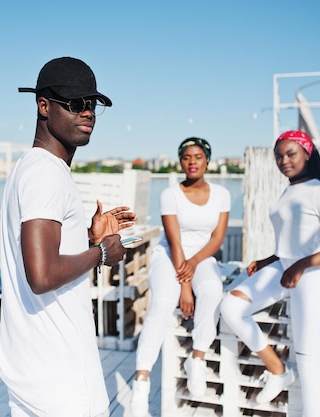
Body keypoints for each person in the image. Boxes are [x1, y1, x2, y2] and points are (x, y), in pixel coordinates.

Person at [0, 57, 136, 417]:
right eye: (75, 104)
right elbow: (42, 275)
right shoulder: (46, 174)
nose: (87, 114)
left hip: (33, 366)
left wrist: (87, 237)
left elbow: (41, 253)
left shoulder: (31, 167)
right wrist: (102, 252)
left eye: (92, 105)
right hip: (60, 377)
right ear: (43, 105)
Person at [219, 130, 320, 417]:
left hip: (313, 275)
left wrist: (302, 265)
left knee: (307, 358)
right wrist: (268, 259)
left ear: (307, 153)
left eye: (291, 154)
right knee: (231, 307)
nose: (284, 160)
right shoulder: (291, 189)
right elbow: (293, 241)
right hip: (284, 266)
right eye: (279, 155)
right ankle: (278, 370)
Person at [130, 137, 230, 417]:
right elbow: (175, 242)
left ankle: (196, 359)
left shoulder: (221, 194)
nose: (192, 162)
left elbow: (217, 238)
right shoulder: (170, 194)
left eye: (198, 156)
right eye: (187, 157)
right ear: (180, 162)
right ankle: (141, 381)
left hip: (203, 256)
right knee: (163, 301)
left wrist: (196, 263)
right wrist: (184, 286)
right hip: (170, 255)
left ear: (207, 160)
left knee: (212, 291)